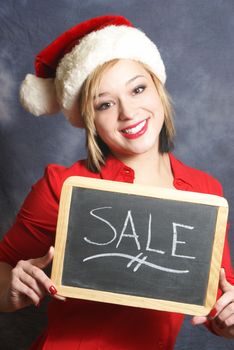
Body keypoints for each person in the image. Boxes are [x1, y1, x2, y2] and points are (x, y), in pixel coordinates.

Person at [0, 14, 233, 350]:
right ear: (88, 119)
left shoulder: (205, 191)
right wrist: (10, 289)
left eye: (138, 88)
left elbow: (218, 297)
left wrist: (228, 318)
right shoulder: (64, 186)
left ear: (158, 88)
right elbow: (4, 269)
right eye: (105, 104)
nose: (128, 112)